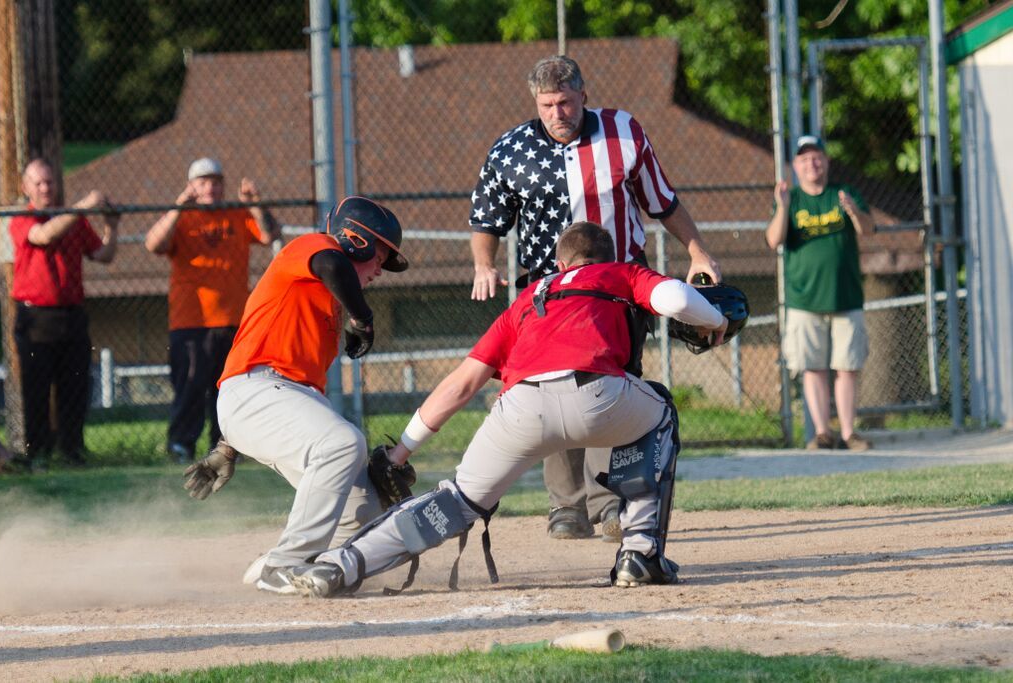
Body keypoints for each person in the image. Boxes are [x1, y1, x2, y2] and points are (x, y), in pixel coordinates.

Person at [282, 222, 730, 598]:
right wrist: (717, 320)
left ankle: (340, 565)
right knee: (660, 413)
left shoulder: (529, 298)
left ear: (560, 265)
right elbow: (675, 300)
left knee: (456, 500)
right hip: (601, 395)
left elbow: (462, 384)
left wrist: (401, 451)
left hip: (520, 406)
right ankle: (639, 552)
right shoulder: (620, 273)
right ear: (607, 258)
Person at [468, 54, 722, 542]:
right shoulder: (511, 150)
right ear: (535, 103)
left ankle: (609, 504)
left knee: (615, 384)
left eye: (565, 102)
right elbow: (486, 219)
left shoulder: (624, 133)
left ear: (583, 95)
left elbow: (663, 202)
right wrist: (484, 263)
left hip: (619, 290)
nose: (557, 113)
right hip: (548, 296)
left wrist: (698, 251)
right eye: (547, 104)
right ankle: (566, 506)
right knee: (549, 384)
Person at [200, 196, 407, 595]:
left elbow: (291, 401)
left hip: (272, 399)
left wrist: (228, 448)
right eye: (378, 256)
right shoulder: (312, 247)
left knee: (363, 514)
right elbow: (332, 266)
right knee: (345, 443)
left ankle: (283, 561)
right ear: (354, 240)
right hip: (253, 389)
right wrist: (362, 316)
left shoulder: (323, 308)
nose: (380, 270)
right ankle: (284, 564)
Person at [144, 158, 281, 464]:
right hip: (190, 321)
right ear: (191, 185)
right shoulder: (182, 217)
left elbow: (269, 234)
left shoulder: (236, 213)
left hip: (233, 320)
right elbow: (153, 244)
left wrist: (255, 204)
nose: (211, 188)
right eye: (203, 182)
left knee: (230, 390)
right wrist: (179, 206)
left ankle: (226, 447)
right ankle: (181, 445)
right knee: (190, 386)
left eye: (216, 181)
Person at [8, 158, 120, 469]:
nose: (46, 188)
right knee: (37, 388)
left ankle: (72, 450)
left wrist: (112, 226)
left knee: (74, 385)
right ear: (26, 187)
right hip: (36, 319)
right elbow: (43, 236)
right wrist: (84, 206)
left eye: (50, 182)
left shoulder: (75, 222)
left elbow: (104, 255)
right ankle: (38, 453)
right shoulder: (22, 218)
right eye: (39, 182)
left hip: (72, 315)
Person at [766, 135, 874, 451]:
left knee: (847, 367)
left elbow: (868, 230)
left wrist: (853, 211)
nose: (811, 164)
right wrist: (783, 207)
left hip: (846, 296)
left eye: (817, 158)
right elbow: (773, 240)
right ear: (795, 167)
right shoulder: (792, 199)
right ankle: (823, 433)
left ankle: (849, 432)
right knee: (812, 367)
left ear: (826, 162)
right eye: (804, 159)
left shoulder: (844, 194)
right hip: (804, 299)